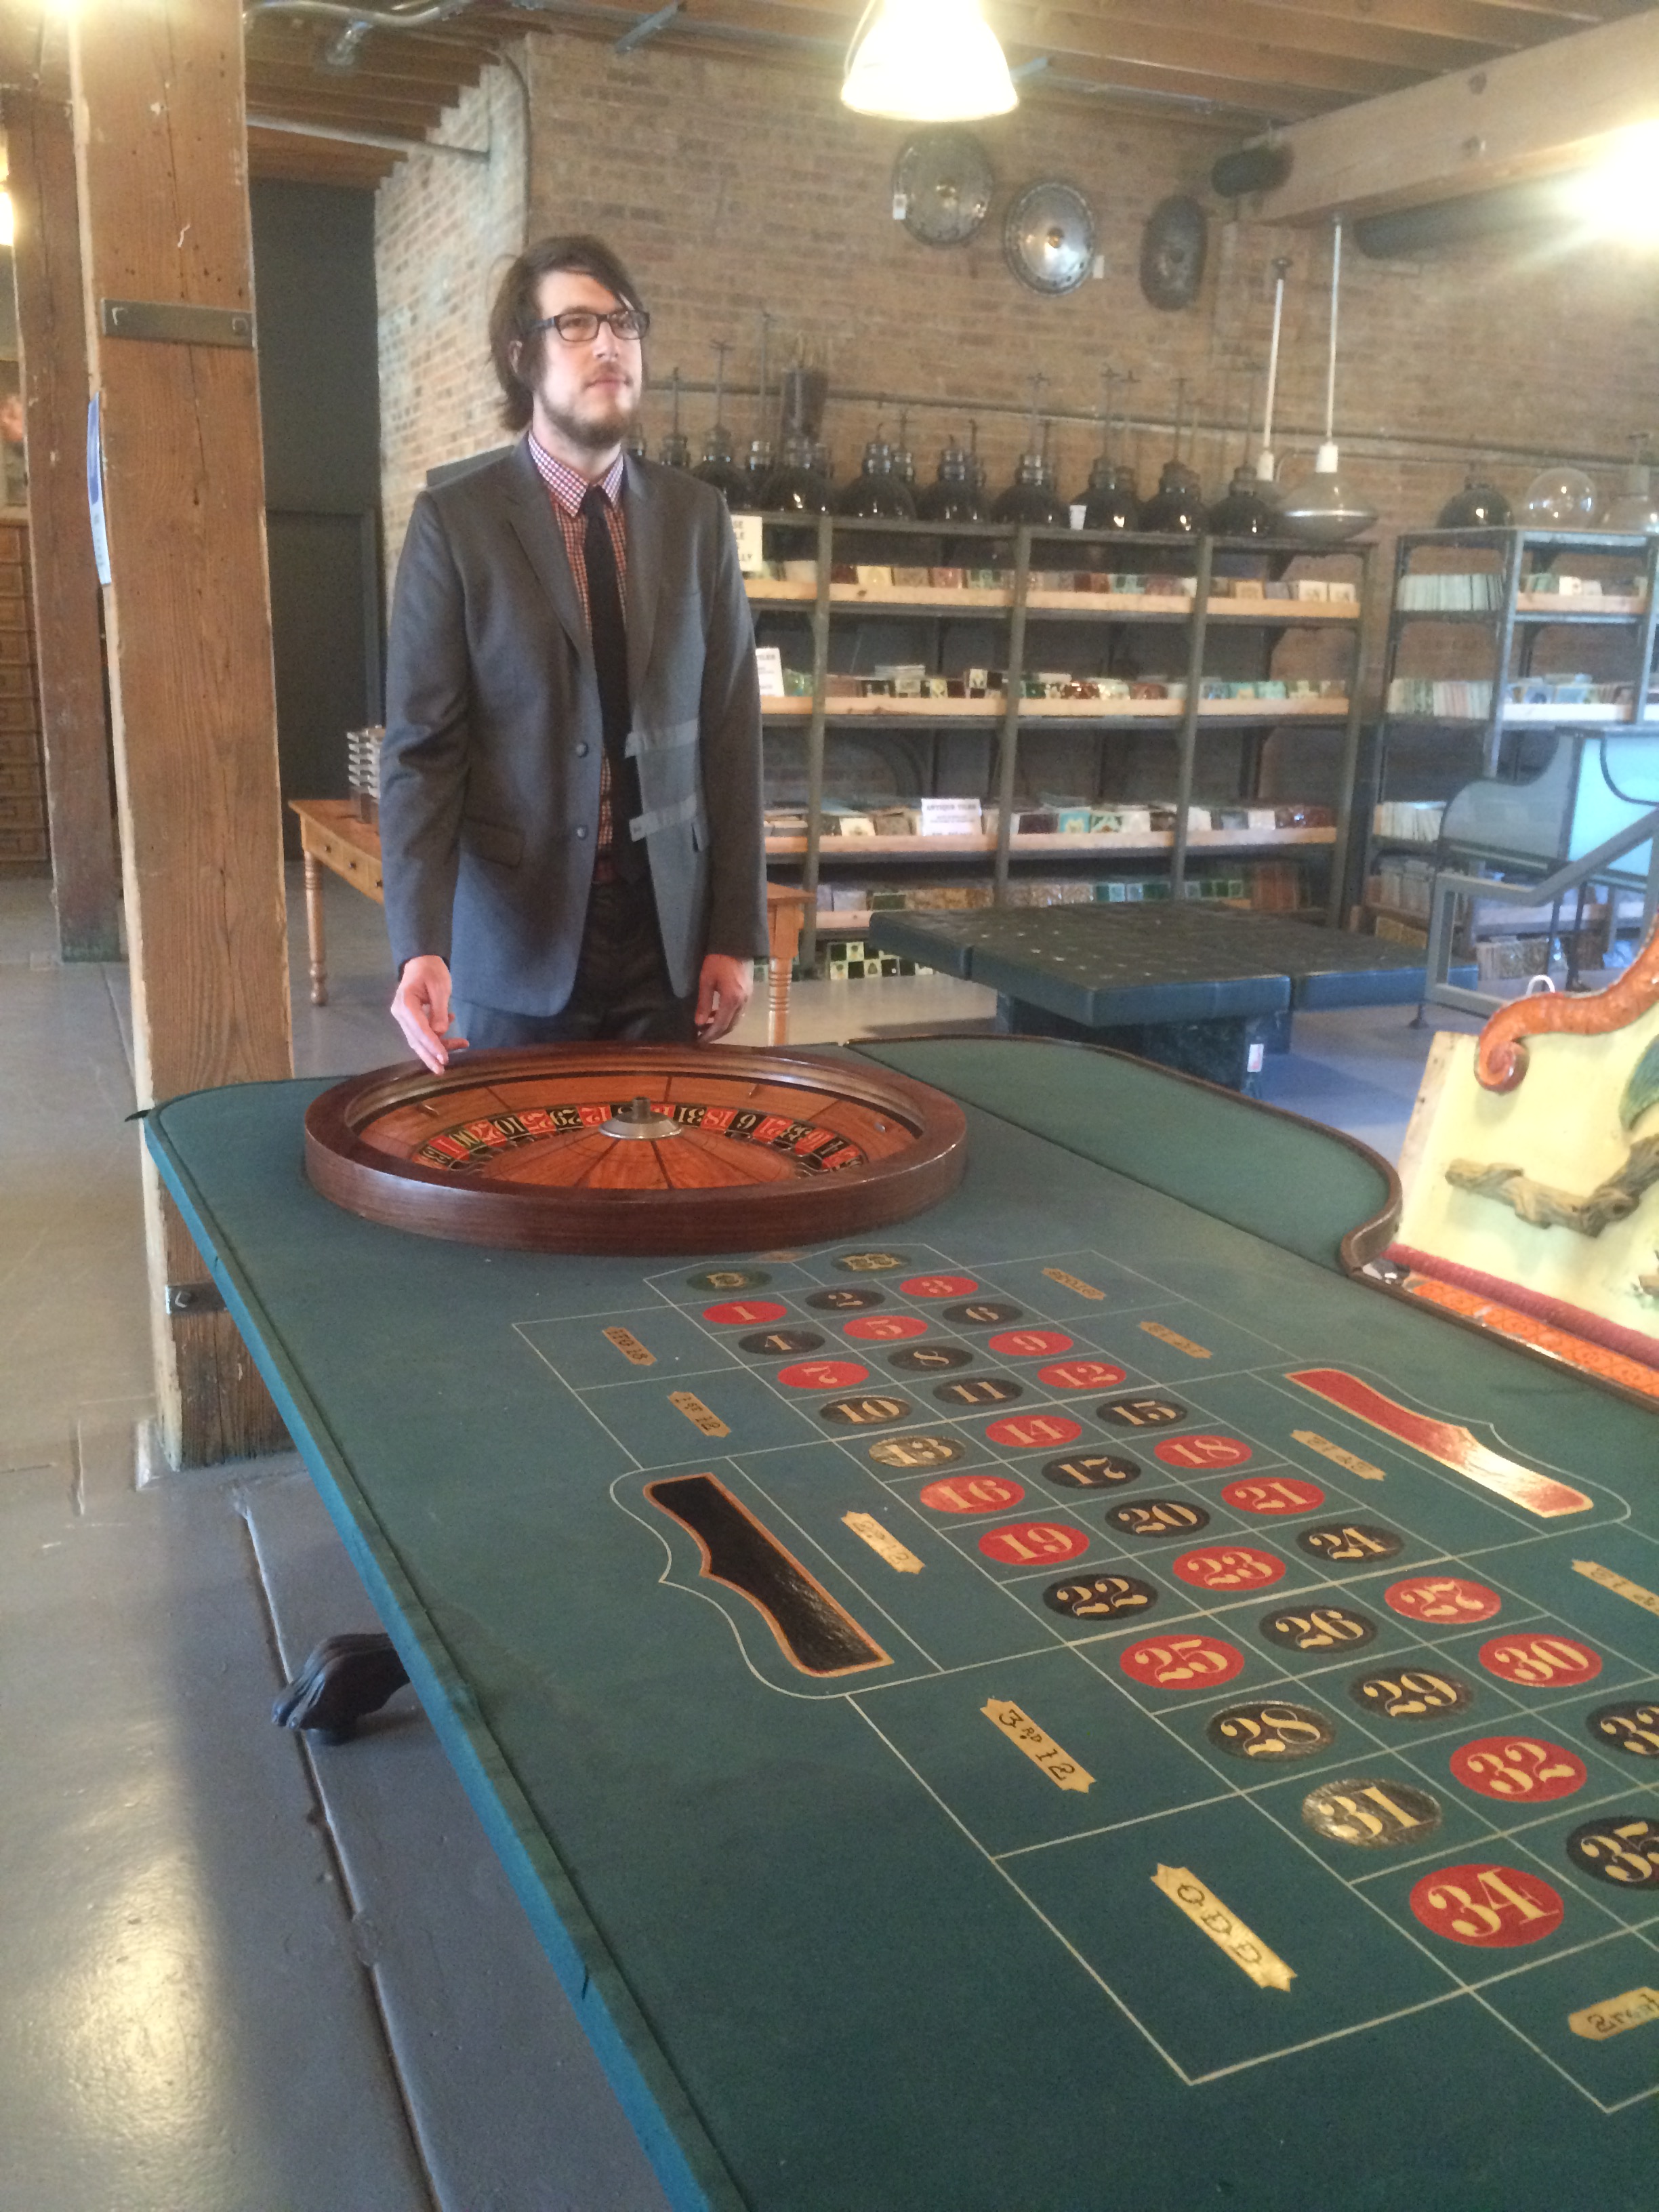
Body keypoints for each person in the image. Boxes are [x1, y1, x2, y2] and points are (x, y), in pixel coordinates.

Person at [382, 236, 766, 1073]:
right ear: (521, 355)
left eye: (625, 323)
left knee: (665, 1151)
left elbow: (731, 735)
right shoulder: (457, 523)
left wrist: (735, 931)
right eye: (578, 324)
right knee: (522, 1155)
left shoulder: (697, 520)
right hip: (516, 944)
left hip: (668, 941)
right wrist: (419, 943)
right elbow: (422, 752)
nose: (609, 346)